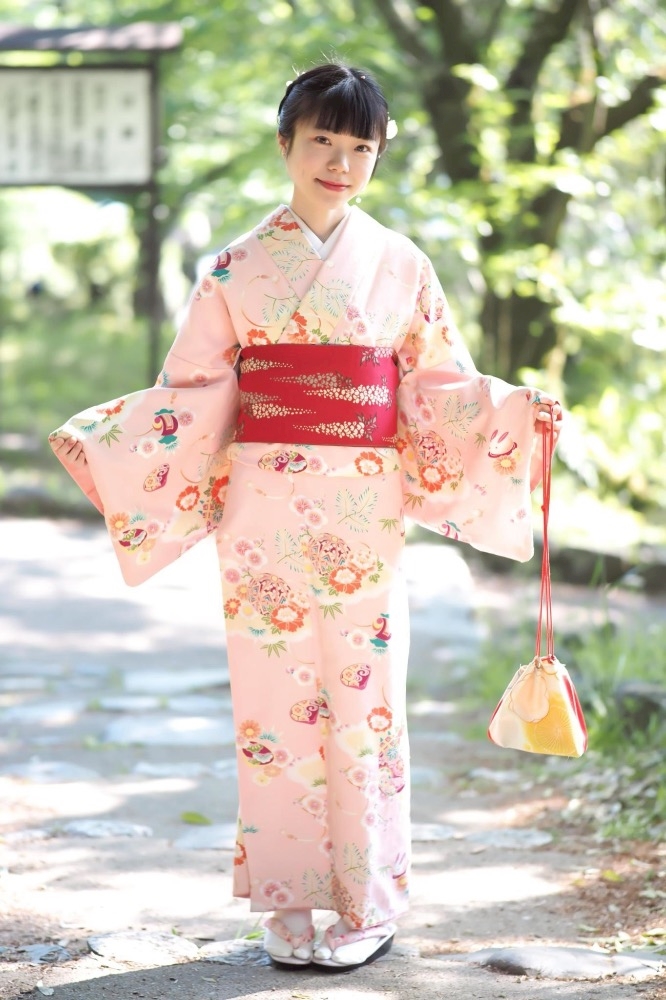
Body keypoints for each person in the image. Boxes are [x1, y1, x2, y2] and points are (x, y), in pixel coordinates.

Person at [50, 62, 562, 971]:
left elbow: (439, 386)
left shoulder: (402, 264)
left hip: (365, 500)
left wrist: (514, 411)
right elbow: (194, 391)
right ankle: (286, 897)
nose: (340, 161)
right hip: (263, 504)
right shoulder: (235, 267)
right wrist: (114, 439)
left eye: (360, 147)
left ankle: (370, 900)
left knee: (368, 701)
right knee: (271, 699)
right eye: (322, 140)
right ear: (285, 142)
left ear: (378, 156)